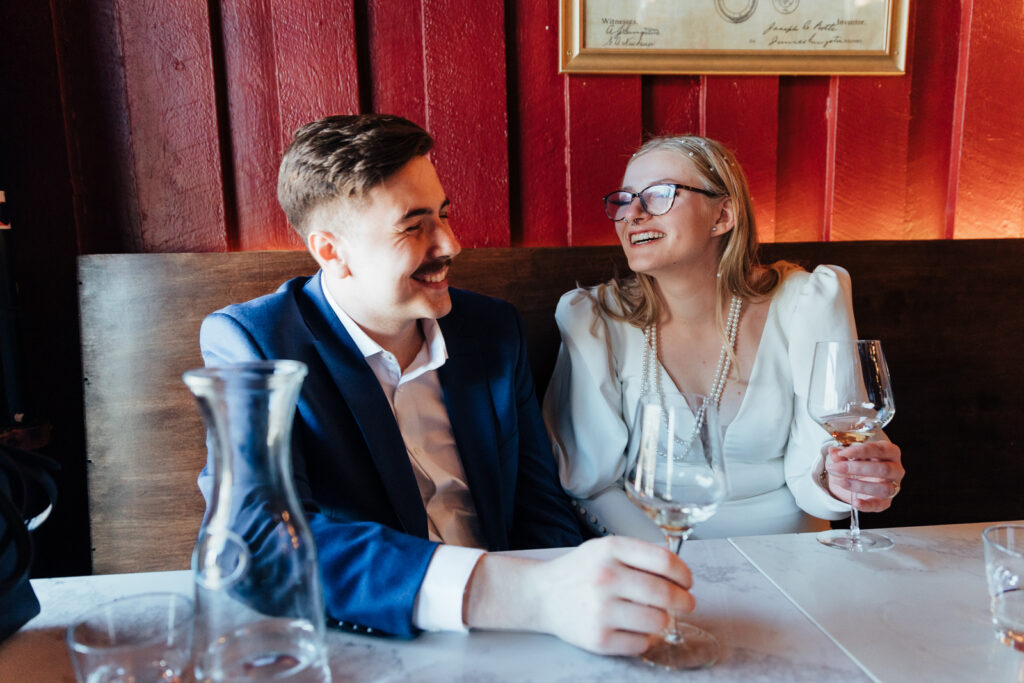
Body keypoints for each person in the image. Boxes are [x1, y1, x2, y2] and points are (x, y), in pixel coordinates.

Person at [196, 114, 695, 655]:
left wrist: (565, 627)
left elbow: (537, 504)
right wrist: (525, 595)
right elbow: (257, 541)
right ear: (331, 251)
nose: (451, 243)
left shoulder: (491, 329)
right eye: (414, 226)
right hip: (377, 638)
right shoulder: (255, 343)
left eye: (444, 213)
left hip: (532, 629)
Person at [543, 135, 905, 542]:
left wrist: (847, 481)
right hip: (657, 559)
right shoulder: (594, 320)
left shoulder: (806, 302)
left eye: (660, 194)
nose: (634, 213)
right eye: (625, 200)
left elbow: (823, 459)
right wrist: (673, 562)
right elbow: (590, 484)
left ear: (723, 215)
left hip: (795, 557)